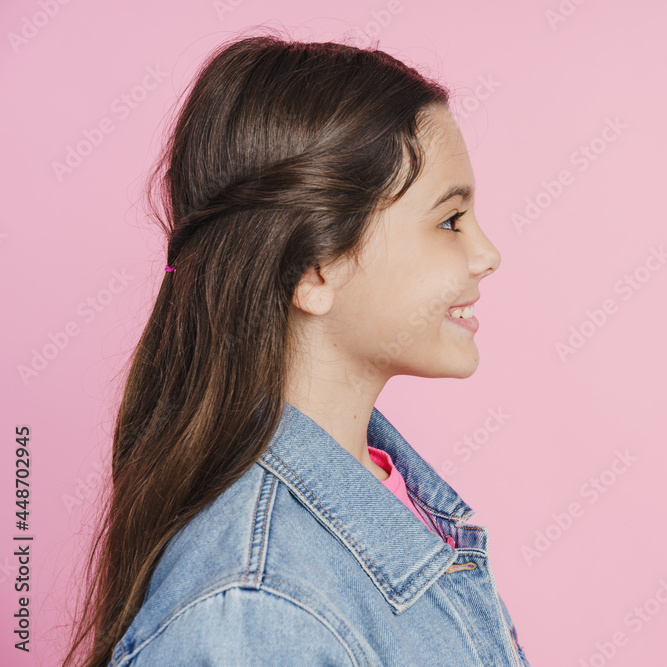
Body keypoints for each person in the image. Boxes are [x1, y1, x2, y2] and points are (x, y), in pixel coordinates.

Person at [62, 32, 531, 666]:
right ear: (315, 268)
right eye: (449, 220)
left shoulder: (388, 500)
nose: (487, 254)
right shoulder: (254, 614)